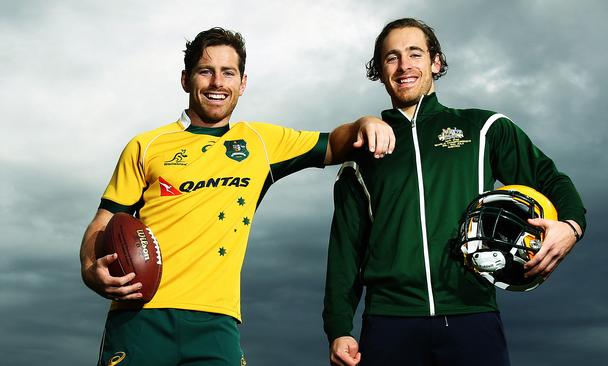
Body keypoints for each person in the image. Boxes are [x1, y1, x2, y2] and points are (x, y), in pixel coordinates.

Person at [80, 27, 395, 366]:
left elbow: (334, 143)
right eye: (206, 71)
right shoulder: (146, 145)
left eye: (228, 72)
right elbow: (103, 222)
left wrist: (365, 121)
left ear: (242, 83)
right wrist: (89, 269)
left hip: (216, 323)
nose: (217, 82)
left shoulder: (260, 142)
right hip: (140, 316)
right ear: (186, 79)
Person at [323, 18, 586, 366]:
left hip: (472, 313)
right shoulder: (361, 153)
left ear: (436, 62)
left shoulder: (484, 128)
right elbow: (345, 250)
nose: (404, 66)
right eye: (391, 57)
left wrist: (571, 226)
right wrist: (339, 327)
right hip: (390, 321)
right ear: (379, 70)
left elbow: (550, 180)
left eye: (415, 54)